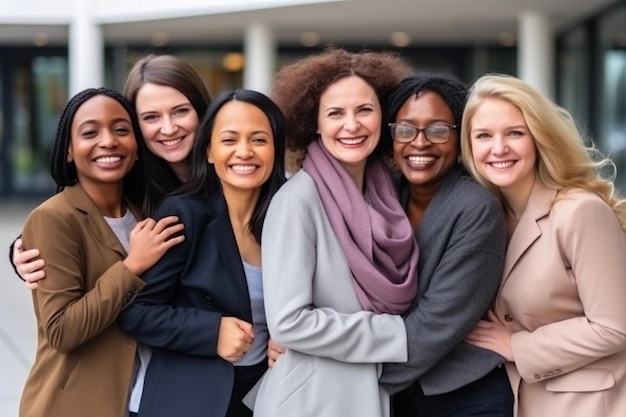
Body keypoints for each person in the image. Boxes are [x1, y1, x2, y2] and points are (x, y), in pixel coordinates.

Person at [247, 47, 419, 417]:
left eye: (365, 110)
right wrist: (397, 334)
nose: (352, 125)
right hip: (311, 402)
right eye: (335, 113)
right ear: (315, 123)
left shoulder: (388, 193)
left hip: (369, 394)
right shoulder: (297, 200)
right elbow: (289, 323)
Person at [461, 74, 626, 417]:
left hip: (588, 405)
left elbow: (614, 326)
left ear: (539, 137)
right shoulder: (485, 219)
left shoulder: (580, 211)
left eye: (515, 133)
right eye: (483, 136)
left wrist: (516, 345)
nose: (498, 148)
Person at [118, 89, 286, 417]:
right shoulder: (184, 214)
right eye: (229, 140)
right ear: (208, 151)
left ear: (276, 149)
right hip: (194, 397)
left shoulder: (288, 215)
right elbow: (135, 311)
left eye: (259, 140)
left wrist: (292, 340)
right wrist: (211, 332)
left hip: (267, 393)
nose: (244, 151)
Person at [18, 87, 184, 417]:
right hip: (73, 406)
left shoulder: (144, 215)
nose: (108, 141)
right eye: (90, 132)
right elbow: (61, 331)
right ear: (69, 150)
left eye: (121, 129)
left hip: (140, 402)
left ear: (137, 147)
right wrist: (132, 265)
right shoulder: (53, 218)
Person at [12, 53, 211, 288]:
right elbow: (74, 218)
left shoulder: (228, 172)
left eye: (180, 111)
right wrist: (22, 250)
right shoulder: (133, 181)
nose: (168, 128)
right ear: (135, 127)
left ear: (200, 110)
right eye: (151, 117)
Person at [378, 74, 513, 416]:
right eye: (406, 129)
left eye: (438, 130)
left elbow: (438, 322)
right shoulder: (384, 193)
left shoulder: (476, 206)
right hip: (399, 393)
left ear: (460, 136)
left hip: (463, 395)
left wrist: (354, 376)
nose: (419, 143)